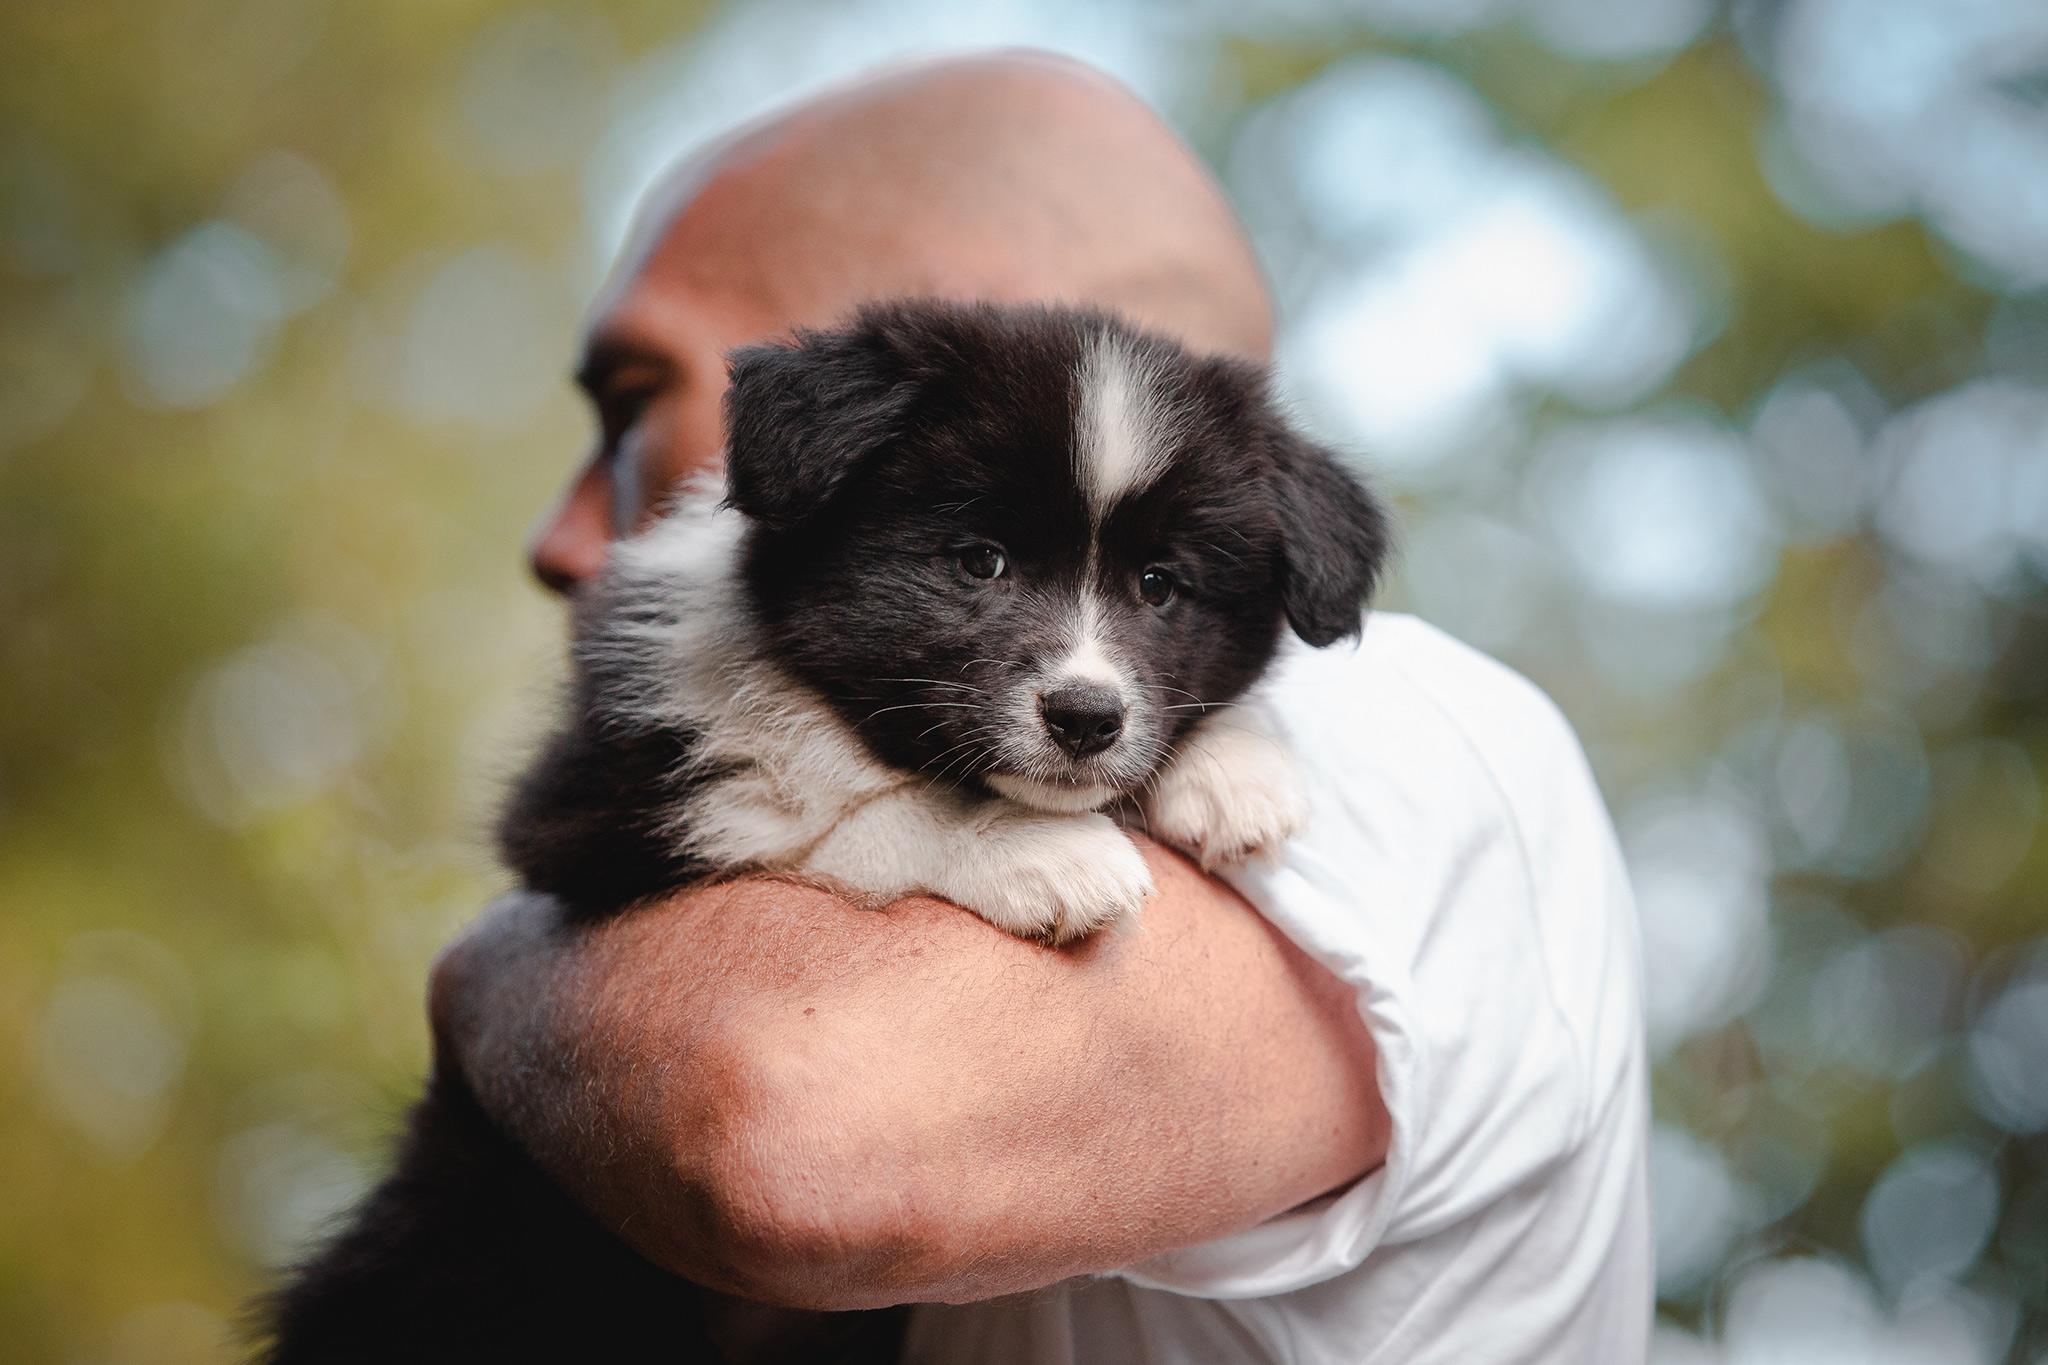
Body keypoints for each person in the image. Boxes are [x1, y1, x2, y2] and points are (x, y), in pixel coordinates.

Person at [429, 49, 1652, 1364]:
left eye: (633, 405)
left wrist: (489, 978)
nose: (562, 534)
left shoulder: (1403, 729)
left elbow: (798, 1141)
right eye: (982, 566)